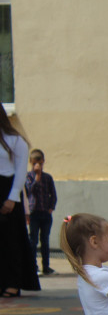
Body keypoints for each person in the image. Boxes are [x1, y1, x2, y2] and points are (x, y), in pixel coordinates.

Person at [0, 104, 38, 297]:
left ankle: (13, 283)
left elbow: (21, 172)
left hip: (7, 190)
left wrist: (12, 198)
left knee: (11, 239)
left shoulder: (16, 141)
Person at [24, 149, 58, 275]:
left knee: (45, 240)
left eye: (39, 163)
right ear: (30, 163)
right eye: (34, 164)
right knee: (33, 241)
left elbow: (53, 195)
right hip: (34, 214)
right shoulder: (28, 177)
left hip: (45, 214)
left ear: (43, 162)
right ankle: (33, 267)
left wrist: (50, 208)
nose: (36, 166)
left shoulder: (48, 178)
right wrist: (36, 177)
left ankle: (46, 267)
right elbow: (29, 192)